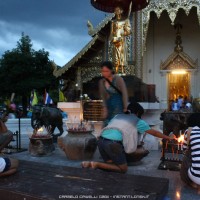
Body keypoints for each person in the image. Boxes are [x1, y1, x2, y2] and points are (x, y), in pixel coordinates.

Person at [82, 102, 176, 173]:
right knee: (123, 169)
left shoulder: (117, 116)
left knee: (111, 165)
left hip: (101, 141)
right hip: (112, 144)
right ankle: (95, 164)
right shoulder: (137, 121)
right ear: (138, 113)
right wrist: (168, 137)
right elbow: (155, 132)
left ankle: (90, 164)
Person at [99, 61, 128, 126]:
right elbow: (103, 96)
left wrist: (125, 107)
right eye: (103, 71)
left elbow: (124, 93)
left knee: (115, 124)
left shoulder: (118, 79)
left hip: (118, 105)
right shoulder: (102, 82)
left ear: (111, 70)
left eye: (106, 71)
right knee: (106, 125)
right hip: (108, 105)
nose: (104, 73)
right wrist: (104, 107)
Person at [180, 113, 200, 193]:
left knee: (187, 152)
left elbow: (184, 149)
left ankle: (193, 183)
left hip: (195, 177)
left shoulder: (189, 131)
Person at [110, 5, 131, 74]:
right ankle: (116, 70)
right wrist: (112, 38)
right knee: (115, 56)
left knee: (121, 55)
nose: (117, 11)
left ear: (121, 11)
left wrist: (122, 33)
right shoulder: (113, 22)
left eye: (118, 10)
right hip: (115, 41)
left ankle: (122, 69)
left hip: (121, 40)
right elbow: (112, 33)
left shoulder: (125, 21)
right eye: (115, 10)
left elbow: (129, 31)